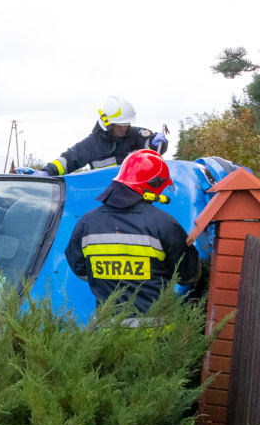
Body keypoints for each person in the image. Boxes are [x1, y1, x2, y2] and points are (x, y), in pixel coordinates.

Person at [66, 149, 200, 314]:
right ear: (154, 185)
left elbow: (79, 267)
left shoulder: (86, 223)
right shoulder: (164, 224)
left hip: (106, 333)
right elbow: (189, 275)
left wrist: (110, 278)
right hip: (156, 332)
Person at [38, 96, 168, 176]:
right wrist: (47, 171)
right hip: (106, 196)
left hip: (136, 192)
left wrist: (154, 143)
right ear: (108, 124)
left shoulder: (134, 134)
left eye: (126, 124)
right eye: (120, 124)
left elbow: (151, 146)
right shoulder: (92, 144)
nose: (124, 127)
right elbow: (68, 160)